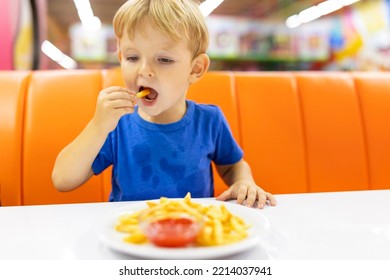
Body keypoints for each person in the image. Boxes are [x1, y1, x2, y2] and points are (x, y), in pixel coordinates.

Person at [52, 0, 276, 208]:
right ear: (121, 58)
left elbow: (232, 166)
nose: (144, 70)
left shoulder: (209, 121)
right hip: (131, 236)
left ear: (195, 69)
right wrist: (97, 126)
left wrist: (244, 182)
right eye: (132, 57)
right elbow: (62, 180)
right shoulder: (116, 125)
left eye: (164, 59)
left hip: (192, 234)